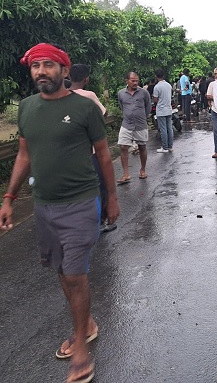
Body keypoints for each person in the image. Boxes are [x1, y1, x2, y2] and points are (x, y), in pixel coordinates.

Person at [0, 43, 119, 383]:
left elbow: (103, 154)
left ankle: (81, 348)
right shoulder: (27, 107)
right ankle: (88, 325)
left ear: (64, 71)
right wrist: (9, 198)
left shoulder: (84, 107)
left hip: (81, 202)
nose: (41, 71)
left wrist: (111, 198)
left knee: (75, 274)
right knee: (62, 271)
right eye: (35, 66)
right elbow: (24, 155)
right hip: (44, 205)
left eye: (48, 65)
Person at [68, 64, 116, 234]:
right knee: (100, 185)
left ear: (68, 76)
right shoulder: (89, 95)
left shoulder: (62, 96)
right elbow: (103, 112)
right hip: (92, 151)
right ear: (86, 79)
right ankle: (101, 221)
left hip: (71, 154)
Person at [117, 71, 151, 183]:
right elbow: (122, 107)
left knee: (142, 147)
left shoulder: (144, 93)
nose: (135, 83)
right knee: (123, 146)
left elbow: (148, 107)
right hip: (126, 124)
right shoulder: (121, 93)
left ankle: (143, 170)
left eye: (137, 81)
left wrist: (141, 116)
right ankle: (126, 174)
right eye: (133, 81)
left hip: (140, 124)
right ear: (126, 81)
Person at [152, 69, 174, 153]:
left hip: (161, 110)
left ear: (156, 76)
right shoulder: (169, 85)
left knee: (163, 129)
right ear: (163, 75)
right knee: (169, 128)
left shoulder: (157, 87)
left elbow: (155, 100)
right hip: (169, 109)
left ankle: (165, 147)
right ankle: (170, 146)